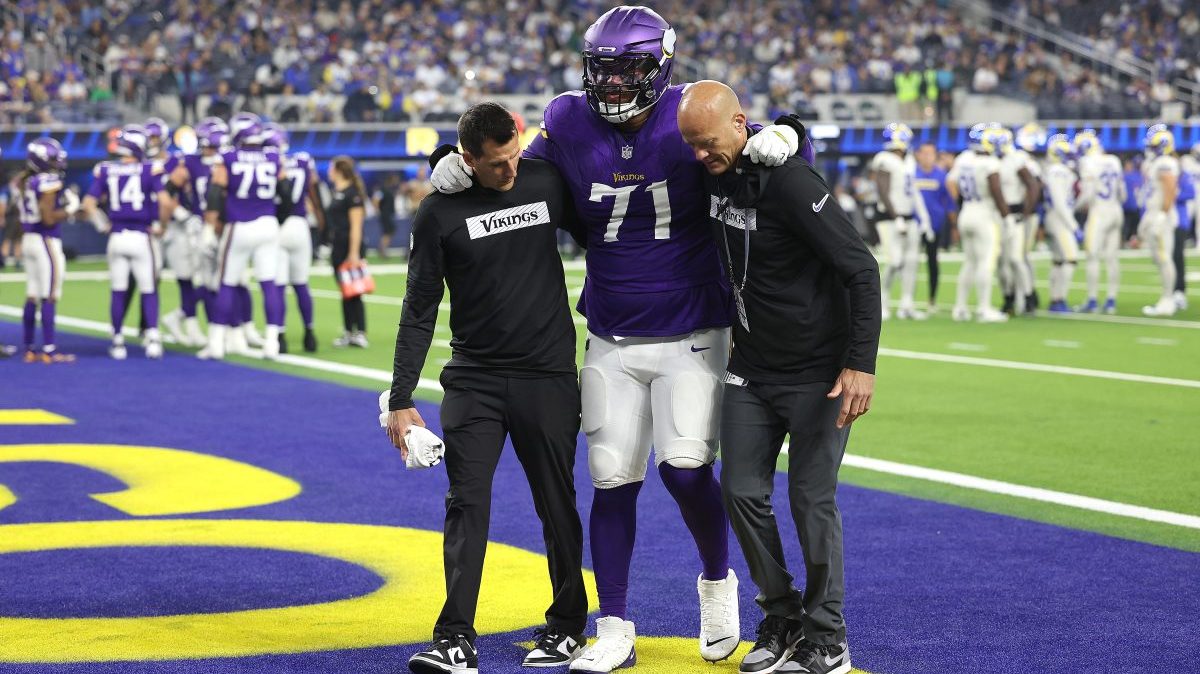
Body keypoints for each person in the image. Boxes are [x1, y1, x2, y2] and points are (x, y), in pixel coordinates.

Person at [428, 8, 804, 670]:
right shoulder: (567, 118)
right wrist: (447, 158)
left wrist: (791, 133)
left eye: (628, 69)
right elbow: (514, 171)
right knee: (612, 480)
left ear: (659, 66)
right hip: (610, 331)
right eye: (603, 69)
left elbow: (754, 144)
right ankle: (614, 626)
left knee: (685, 470)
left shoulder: (688, 113)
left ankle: (717, 582)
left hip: (692, 327)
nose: (612, 83)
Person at [678, 80, 879, 674]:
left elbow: (861, 270)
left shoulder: (790, 181)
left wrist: (861, 364)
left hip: (820, 375)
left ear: (740, 124)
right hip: (751, 368)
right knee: (740, 491)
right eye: (691, 145)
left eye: (708, 142)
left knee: (810, 500)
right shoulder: (711, 171)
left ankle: (828, 637)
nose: (700, 155)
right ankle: (783, 614)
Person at [387, 102, 588, 674]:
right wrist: (401, 398)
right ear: (468, 159)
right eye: (497, 163)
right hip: (473, 379)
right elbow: (419, 308)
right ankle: (455, 638)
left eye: (515, 156)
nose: (510, 171)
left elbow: (606, 236)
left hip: (547, 377)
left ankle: (568, 626)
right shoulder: (438, 212)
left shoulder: (545, 180)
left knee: (556, 502)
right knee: (466, 502)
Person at [202, 112, 288, 359]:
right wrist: (276, 219)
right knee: (269, 284)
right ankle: (271, 343)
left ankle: (216, 342)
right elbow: (286, 193)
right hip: (267, 224)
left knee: (227, 282)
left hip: (239, 225)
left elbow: (215, 193)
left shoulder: (228, 156)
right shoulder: (273, 156)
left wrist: (209, 226)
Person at [81, 124, 164, 360]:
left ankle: (117, 341)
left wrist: (103, 225)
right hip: (141, 236)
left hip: (117, 237)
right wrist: (161, 225)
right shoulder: (150, 169)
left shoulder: (106, 169)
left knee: (118, 290)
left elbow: (88, 204)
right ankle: (152, 339)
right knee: (148, 289)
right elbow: (165, 201)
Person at [15, 138, 77, 362]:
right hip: (45, 240)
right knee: (49, 296)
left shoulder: (24, 181)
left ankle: (29, 349)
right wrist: (70, 209)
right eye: (52, 159)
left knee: (32, 294)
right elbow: (48, 218)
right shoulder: (47, 181)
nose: (56, 163)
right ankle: (49, 351)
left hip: (29, 239)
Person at [262, 122, 322, 353]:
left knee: (277, 286)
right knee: (301, 284)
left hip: (277, 224)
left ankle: (280, 336)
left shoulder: (268, 162)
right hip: (300, 224)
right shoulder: (303, 160)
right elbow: (314, 192)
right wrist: (324, 225)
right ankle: (310, 335)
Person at [946, 124, 1009, 323]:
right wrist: (1007, 217)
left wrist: (959, 203)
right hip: (984, 214)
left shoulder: (964, 158)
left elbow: (951, 182)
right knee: (986, 262)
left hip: (966, 211)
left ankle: (960, 307)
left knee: (970, 262)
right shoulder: (990, 163)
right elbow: (996, 192)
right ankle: (983, 308)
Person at [871, 122, 932, 320]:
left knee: (911, 262)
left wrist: (924, 218)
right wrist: (896, 217)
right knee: (894, 261)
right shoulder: (884, 159)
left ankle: (907, 304)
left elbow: (913, 191)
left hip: (909, 217)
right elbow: (883, 190)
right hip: (889, 219)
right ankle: (881, 303)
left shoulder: (908, 161)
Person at [1073, 131, 1126, 314]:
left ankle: (1092, 300)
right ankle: (1111, 300)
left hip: (1099, 212)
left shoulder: (1087, 162)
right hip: (1116, 210)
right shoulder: (1113, 160)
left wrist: (1075, 207)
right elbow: (1122, 193)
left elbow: (1087, 193)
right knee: (1112, 258)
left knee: (1092, 256)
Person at [993, 126, 1041, 315]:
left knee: (1016, 258)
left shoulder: (1016, 159)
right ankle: (1008, 298)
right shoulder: (988, 161)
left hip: (1014, 214)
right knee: (1000, 261)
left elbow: (1033, 184)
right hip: (995, 216)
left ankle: (1028, 297)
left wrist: (1026, 212)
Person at [1138, 126, 1181, 317]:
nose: (1150, 149)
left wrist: (1162, 215)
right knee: (1160, 258)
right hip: (1154, 214)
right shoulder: (1157, 163)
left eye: (1154, 146)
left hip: (1161, 216)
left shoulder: (1165, 162)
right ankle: (1166, 298)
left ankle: (1168, 300)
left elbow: (1170, 188)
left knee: (1164, 258)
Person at [326, 155, 368, 347]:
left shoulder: (352, 194)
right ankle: (348, 331)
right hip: (337, 246)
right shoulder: (337, 192)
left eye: (331, 168)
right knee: (344, 290)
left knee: (355, 290)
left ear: (339, 171)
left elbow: (356, 226)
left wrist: (354, 253)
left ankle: (360, 332)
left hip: (350, 247)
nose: (329, 171)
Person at [1039, 134, 1081, 313]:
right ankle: (1059, 299)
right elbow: (1059, 202)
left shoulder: (1053, 170)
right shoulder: (1058, 171)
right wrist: (1074, 226)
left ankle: (1055, 299)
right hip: (1059, 219)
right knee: (1070, 259)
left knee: (1058, 261)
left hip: (1054, 217)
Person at [913, 142, 956, 312]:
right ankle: (908, 299)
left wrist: (954, 224)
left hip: (935, 224)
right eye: (924, 153)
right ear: (918, 154)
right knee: (910, 262)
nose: (927, 157)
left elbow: (949, 201)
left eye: (930, 153)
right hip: (914, 225)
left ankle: (932, 300)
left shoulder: (941, 175)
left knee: (932, 262)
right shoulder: (911, 173)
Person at [373, 173, 399, 259]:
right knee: (388, 231)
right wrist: (377, 210)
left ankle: (382, 249)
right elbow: (376, 199)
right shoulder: (383, 189)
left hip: (387, 214)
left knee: (389, 231)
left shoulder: (388, 189)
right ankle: (382, 250)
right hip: (385, 214)